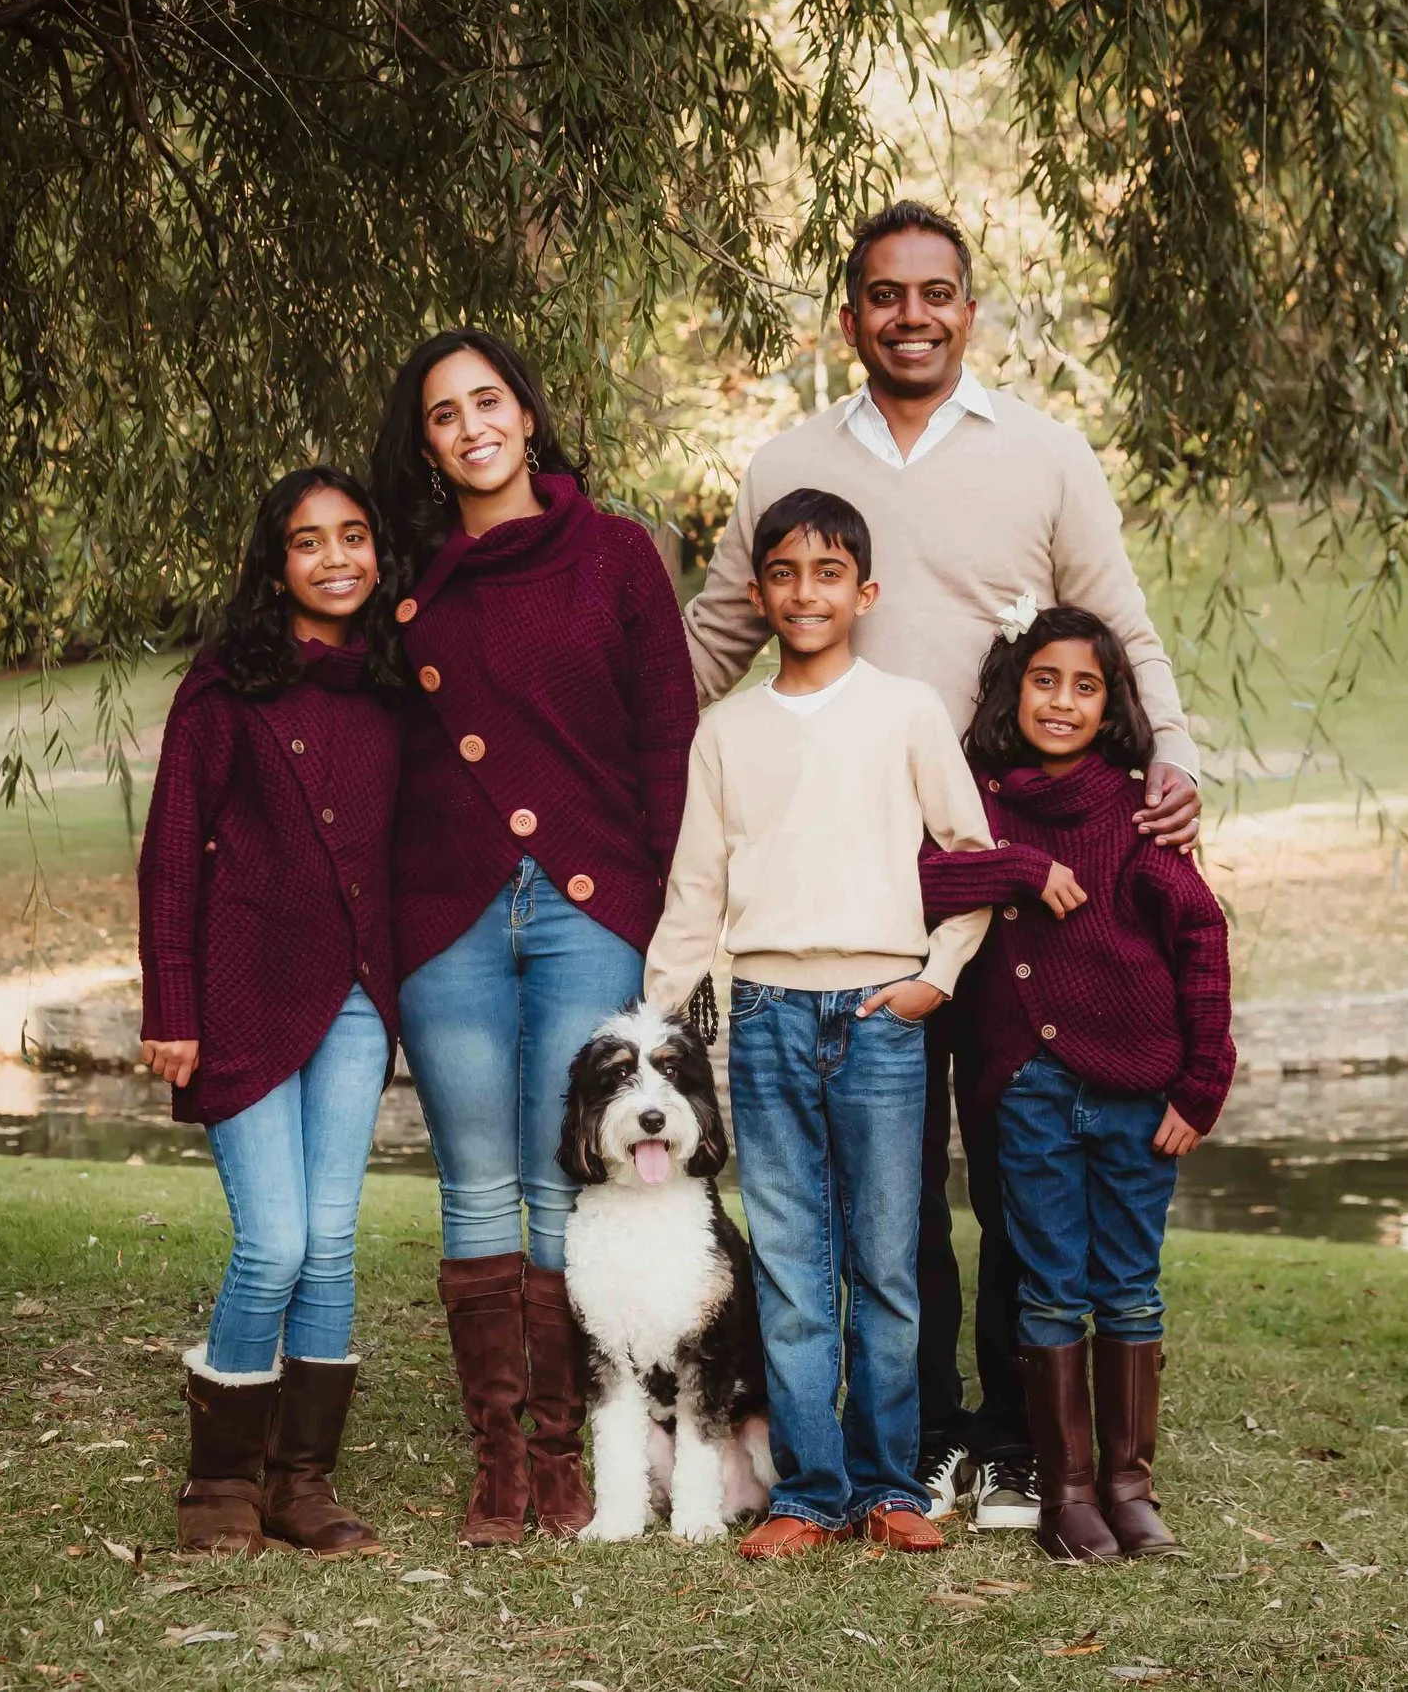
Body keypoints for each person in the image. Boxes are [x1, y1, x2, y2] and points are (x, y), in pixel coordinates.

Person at [680, 199, 1204, 1529]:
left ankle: (1032, 1441)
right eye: (884, 294)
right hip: (854, 882)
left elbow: (1121, 623)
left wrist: (1173, 760)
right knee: (891, 1196)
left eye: (936, 292)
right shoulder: (789, 460)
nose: (911, 314)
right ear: (849, 314)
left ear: (971, 308)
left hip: (1007, 856)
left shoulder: (1041, 453)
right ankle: (905, 1448)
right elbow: (718, 636)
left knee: (1030, 1138)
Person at [371, 328, 698, 1546]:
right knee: (477, 1187)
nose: (471, 426)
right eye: (444, 413)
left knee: (570, 1184)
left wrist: (665, 914)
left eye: (488, 401)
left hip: (589, 907)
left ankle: (566, 1454)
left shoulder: (615, 556)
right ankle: (497, 1465)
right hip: (445, 916)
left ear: (526, 414)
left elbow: (667, 743)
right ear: (426, 443)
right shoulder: (402, 576)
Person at [645, 489, 995, 1560]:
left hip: (883, 1015)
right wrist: (656, 1028)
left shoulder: (905, 712)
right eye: (785, 573)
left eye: (828, 572)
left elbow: (974, 861)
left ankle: (890, 1483)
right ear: (760, 593)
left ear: (864, 591)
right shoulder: (727, 732)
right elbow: (694, 892)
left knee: (886, 1264)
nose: (806, 592)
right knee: (795, 1267)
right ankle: (812, 1492)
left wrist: (935, 974)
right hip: (766, 1018)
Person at [919, 606, 1234, 1562]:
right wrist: (1013, 867)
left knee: (1131, 1288)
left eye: (1086, 686)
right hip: (1029, 1095)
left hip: (1143, 1095)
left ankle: (1129, 1489)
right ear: (1016, 691)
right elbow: (916, 879)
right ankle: (1067, 1493)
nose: (1063, 701)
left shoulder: (1137, 809)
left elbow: (1201, 940)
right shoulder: (978, 799)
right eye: (1045, 680)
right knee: (1049, 1285)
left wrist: (1201, 1085)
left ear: (1112, 705)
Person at [138, 466, 404, 1558]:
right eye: (310, 541)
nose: (337, 557)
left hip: (351, 996)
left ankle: (301, 1484)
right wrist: (171, 1005)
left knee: (332, 1241)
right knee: (276, 1242)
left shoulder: (394, 683)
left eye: (355, 535)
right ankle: (218, 1486)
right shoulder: (223, 685)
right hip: (242, 991)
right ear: (274, 563)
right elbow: (168, 855)